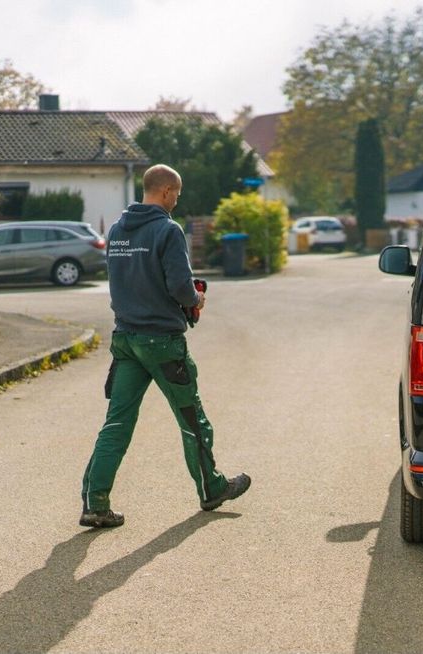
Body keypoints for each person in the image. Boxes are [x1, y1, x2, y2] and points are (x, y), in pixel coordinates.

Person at [80, 164, 250, 528]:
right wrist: (196, 300)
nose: (177, 200)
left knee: (117, 423)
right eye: (177, 194)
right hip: (162, 342)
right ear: (167, 192)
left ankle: (95, 502)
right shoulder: (167, 230)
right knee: (192, 421)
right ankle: (212, 488)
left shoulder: (118, 231)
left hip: (126, 340)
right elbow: (179, 286)